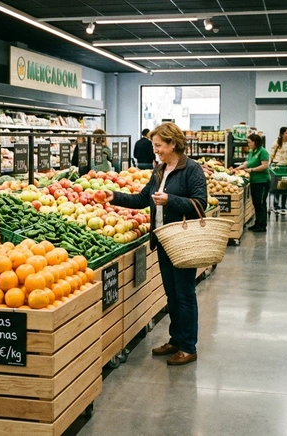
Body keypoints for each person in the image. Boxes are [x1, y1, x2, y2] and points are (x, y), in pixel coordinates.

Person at [100, 122, 207, 366]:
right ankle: (176, 339)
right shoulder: (159, 170)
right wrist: (114, 196)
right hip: (162, 239)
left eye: (158, 145)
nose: (155, 149)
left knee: (185, 295)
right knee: (171, 293)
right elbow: (142, 199)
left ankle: (189, 347)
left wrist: (171, 200)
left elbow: (200, 204)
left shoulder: (192, 169)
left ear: (172, 144)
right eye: (154, 145)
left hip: (181, 240)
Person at [236, 134, 270, 232]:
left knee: (261, 203)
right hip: (254, 181)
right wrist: (239, 168)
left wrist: (251, 170)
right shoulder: (252, 151)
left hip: (263, 181)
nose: (248, 144)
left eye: (249, 142)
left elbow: (264, 166)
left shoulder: (263, 152)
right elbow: (248, 162)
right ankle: (257, 223)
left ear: (255, 142)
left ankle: (262, 225)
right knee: (255, 202)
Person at [269, 127, 287, 211]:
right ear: (282, 134)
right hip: (277, 167)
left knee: (286, 185)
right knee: (277, 186)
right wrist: (270, 164)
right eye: (286, 133)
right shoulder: (277, 143)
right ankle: (276, 204)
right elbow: (271, 154)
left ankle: (283, 204)